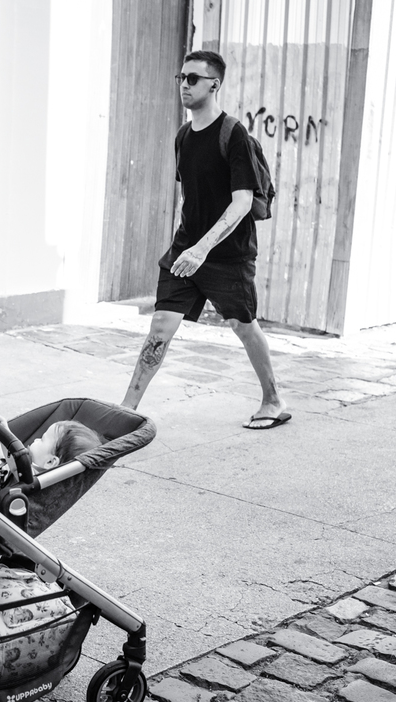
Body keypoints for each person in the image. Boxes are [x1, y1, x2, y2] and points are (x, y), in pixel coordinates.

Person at [121, 50, 290, 431]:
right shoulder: (183, 136)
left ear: (214, 84)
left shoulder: (234, 135)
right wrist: (189, 245)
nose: (184, 84)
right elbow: (193, 196)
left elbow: (242, 202)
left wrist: (203, 249)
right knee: (160, 326)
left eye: (193, 78)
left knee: (243, 325)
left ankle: (273, 400)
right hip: (186, 250)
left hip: (227, 255)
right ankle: (126, 410)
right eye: (181, 77)